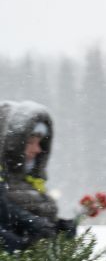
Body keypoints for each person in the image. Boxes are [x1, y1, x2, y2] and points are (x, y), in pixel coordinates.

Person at [0, 102, 68, 251]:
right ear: (11, 145)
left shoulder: (32, 182)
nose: (38, 149)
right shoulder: (3, 184)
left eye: (40, 143)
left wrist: (61, 230)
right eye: (30, 142)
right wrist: (22, 246)